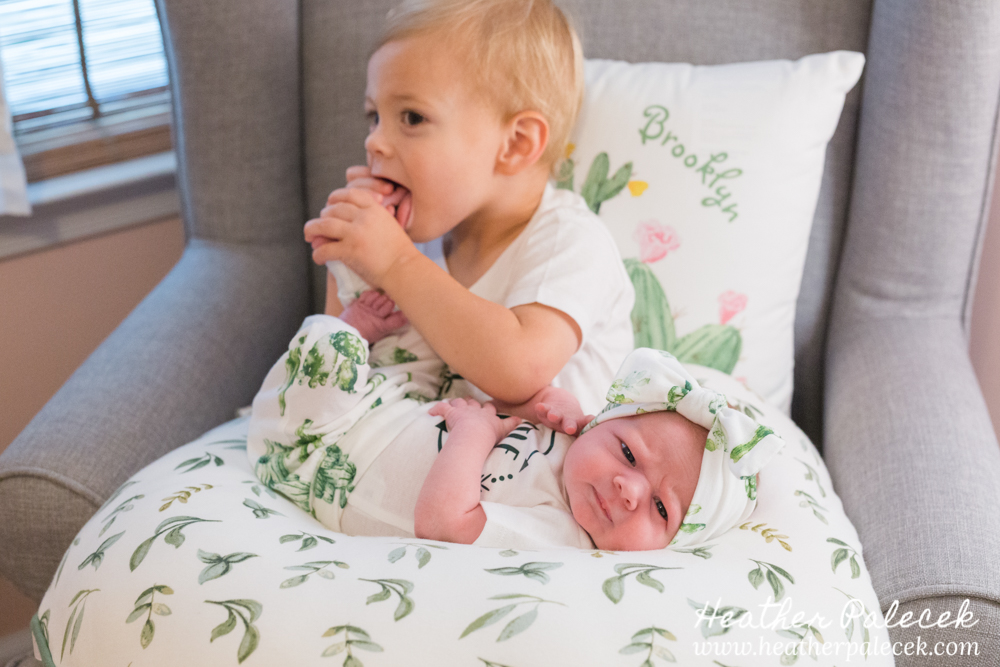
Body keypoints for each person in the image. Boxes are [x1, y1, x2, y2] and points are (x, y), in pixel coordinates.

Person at [247, 293, 785, 551]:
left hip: (323, 457)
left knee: (331, 357)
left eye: (662, 509)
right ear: (602, 421)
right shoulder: (577, 447)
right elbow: (499, 409)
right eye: (627, 452)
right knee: (443, 356)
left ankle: (350, 327)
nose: (629, 490)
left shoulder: (563, 534)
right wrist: (543, 406)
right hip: (394, 409)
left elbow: (444, 522)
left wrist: (475, 433)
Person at [303, 0, 634, 415]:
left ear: (515, 145)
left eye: (412, 117)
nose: (374, 141)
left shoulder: (571, 242)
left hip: (554, 456)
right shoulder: (407, 241)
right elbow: (330, 384)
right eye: (374, 116)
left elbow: (519, 369)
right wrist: (350, 267)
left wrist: (394, 263)